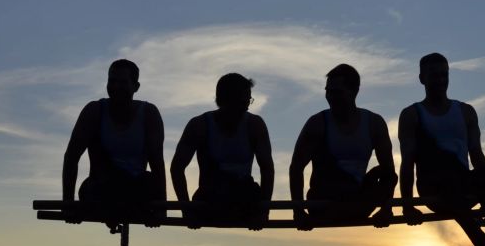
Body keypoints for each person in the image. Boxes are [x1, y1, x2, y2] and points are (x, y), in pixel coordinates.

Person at [398, 52, 485, 246]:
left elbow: (476, 154)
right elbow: (407, 163)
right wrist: (407, 205)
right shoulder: (411, 115)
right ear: (422, 78)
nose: (440, 80)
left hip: (462, 182)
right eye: (434, 75)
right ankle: (480, 239)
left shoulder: (466, 111)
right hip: (433, 188)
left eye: (444, 75)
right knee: (448, 179)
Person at [290, 64, 397, 230]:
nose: (331, 97)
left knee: (383, 171)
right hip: (324, 202)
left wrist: (386, 209)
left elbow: (389, 171)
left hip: (357, 200)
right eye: (328, 91)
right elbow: (296, 168)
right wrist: (298, 212)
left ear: (353, 92)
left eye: (337, 92)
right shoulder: (317, 123)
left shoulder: (374, 123)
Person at [62, 59, 166, 225]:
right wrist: (67, 203)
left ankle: (121, 207)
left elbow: (157, 163)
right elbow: (71, 157)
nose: (116, 87)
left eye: (123, 82)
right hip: (103, 187)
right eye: (112, 81)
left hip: (136, 188)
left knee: (149, 183)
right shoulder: (94, 111)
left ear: (136, 87)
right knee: (92, 189)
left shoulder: (149, 114)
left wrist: (162, 207)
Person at [170, 73, 273, 230]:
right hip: (211, 198)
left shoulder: (255, 125)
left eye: (249, 100)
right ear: (227, 99)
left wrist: (263, 212)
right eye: (244, 99)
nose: (247, 105)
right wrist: (187, 210)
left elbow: (267, 170)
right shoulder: (199, 126)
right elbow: (177, 168)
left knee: (246, 191)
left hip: (244, 198)